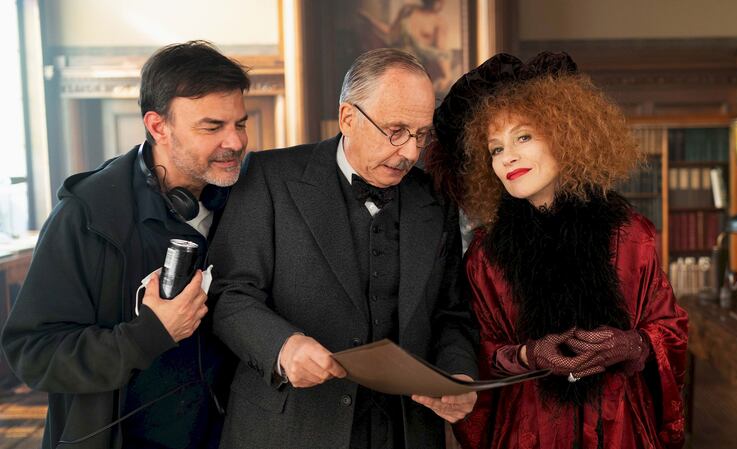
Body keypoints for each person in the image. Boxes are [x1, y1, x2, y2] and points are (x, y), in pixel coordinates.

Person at [208, 48, 477, 449]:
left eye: (421, 135)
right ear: (348, 117)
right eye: (396, 131)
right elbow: (229, 294)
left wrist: (458, 376)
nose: (410, 153)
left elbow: (451, 312)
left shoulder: (437, 198)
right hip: (288, 429)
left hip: (406, 431)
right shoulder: (268, 177)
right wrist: (282, 347)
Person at [426, 52, 688, 449]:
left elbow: (670, 330)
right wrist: (529, 356)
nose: (507, 156)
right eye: (495, 149)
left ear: (566, 134)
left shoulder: (631, 236)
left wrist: (633, 345)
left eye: (523, 137)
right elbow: (474, 352)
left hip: (618, 430)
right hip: (528, 431)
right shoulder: (486, 257)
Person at [1, 40, 250, 449]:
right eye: (212, 127)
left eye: (239, 124)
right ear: (157, 127)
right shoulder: (85, 216)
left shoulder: (246, 199)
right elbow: (32, 353)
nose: (236, 142)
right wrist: (148, 334)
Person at [359, 0, 453, 93]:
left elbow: (442, 52)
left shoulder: (439, 22)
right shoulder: (408, 10)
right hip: (393, 61)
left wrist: (447, 75)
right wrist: (370, 20)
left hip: (413, 70)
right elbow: (391, 33)